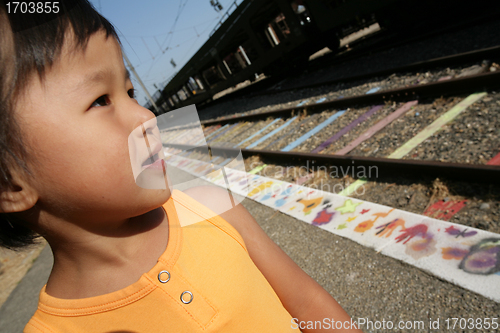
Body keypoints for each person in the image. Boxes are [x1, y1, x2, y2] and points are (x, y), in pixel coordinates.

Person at [0, 1, 361, 332]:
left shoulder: (207, 203)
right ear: (11, 185)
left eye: (130, 92)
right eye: (99, 101)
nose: (146, 116)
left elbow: (308, 302)